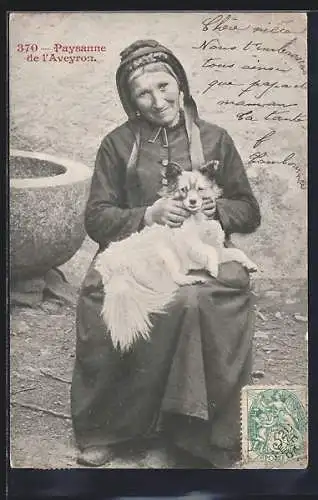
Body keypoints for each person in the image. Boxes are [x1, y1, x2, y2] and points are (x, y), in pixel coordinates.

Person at [71, 39, 261, 468]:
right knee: (114, 294)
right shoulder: (116, 145)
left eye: (164, 85)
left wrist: (218, 207)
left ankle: (190, 436)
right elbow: (96, 219)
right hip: (137, 252)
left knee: (193, 300)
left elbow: (249, 213)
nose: (158, 101)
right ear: (130, 100)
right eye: (144, 93)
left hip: (200, 253)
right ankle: (113, 429)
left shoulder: (215, 139)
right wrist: (148, 213)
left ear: (180, 82)